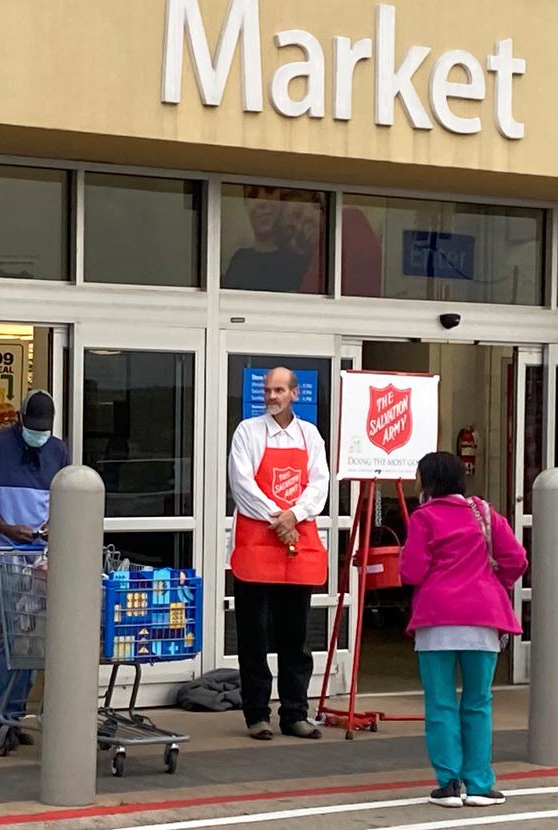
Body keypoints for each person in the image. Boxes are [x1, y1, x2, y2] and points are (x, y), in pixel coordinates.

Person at [400, 451, 527, 809]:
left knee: (440, 704)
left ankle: (449, 783)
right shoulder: (484, 513)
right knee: (477, 703)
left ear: (428, 482)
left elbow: (411, 571)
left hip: (436, 620)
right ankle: (481, 784)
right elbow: (516, 559)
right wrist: (492, 581)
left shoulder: (424, 518)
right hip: (483, 620)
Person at [0, 389, 70, 748]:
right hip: (4, 558)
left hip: (41, 560)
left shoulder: (58, 451)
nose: (38, 436)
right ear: (18, 421)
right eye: (32, 428)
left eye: (44, 430)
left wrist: (55, 525)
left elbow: (65, 499)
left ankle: (13, 715)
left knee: (34, 640)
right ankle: (0, 719)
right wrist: (8, 529)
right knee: (14, 639)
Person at [228, 366, 329, 740]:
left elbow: (320, 484)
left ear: (295, 394)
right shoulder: (247, 432)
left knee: (296, 637)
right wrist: (279, 518)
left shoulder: (311, 436)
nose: (272, 397)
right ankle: (257, 714)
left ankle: (295, 713)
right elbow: (242, 485)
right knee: (253, 637)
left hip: (296, 549)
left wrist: (295, 515)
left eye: (279, 390)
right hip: (257, 546)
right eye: (268, 391)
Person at [223, 185, 306, 291]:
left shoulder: (296, 263)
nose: (261, 202)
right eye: (253, 195)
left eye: (270, 191)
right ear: (245, 204)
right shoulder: (240, 261)